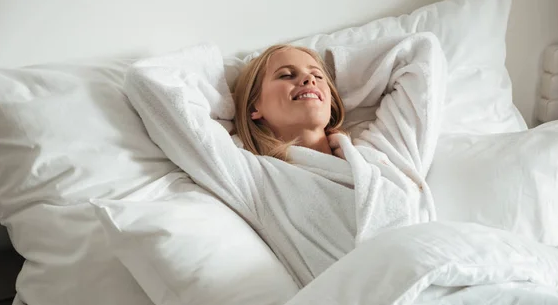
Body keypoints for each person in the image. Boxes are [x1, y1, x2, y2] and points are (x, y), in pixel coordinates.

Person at [125, 33, 447, 288]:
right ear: (255, 107)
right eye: (287, 75)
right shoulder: (255, 177)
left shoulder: (381, 155)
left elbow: (420, 52)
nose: (307, 81)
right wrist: (233, 92)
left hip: (442, 287)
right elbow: (150, 82)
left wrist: (330, 70)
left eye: (317, 77)